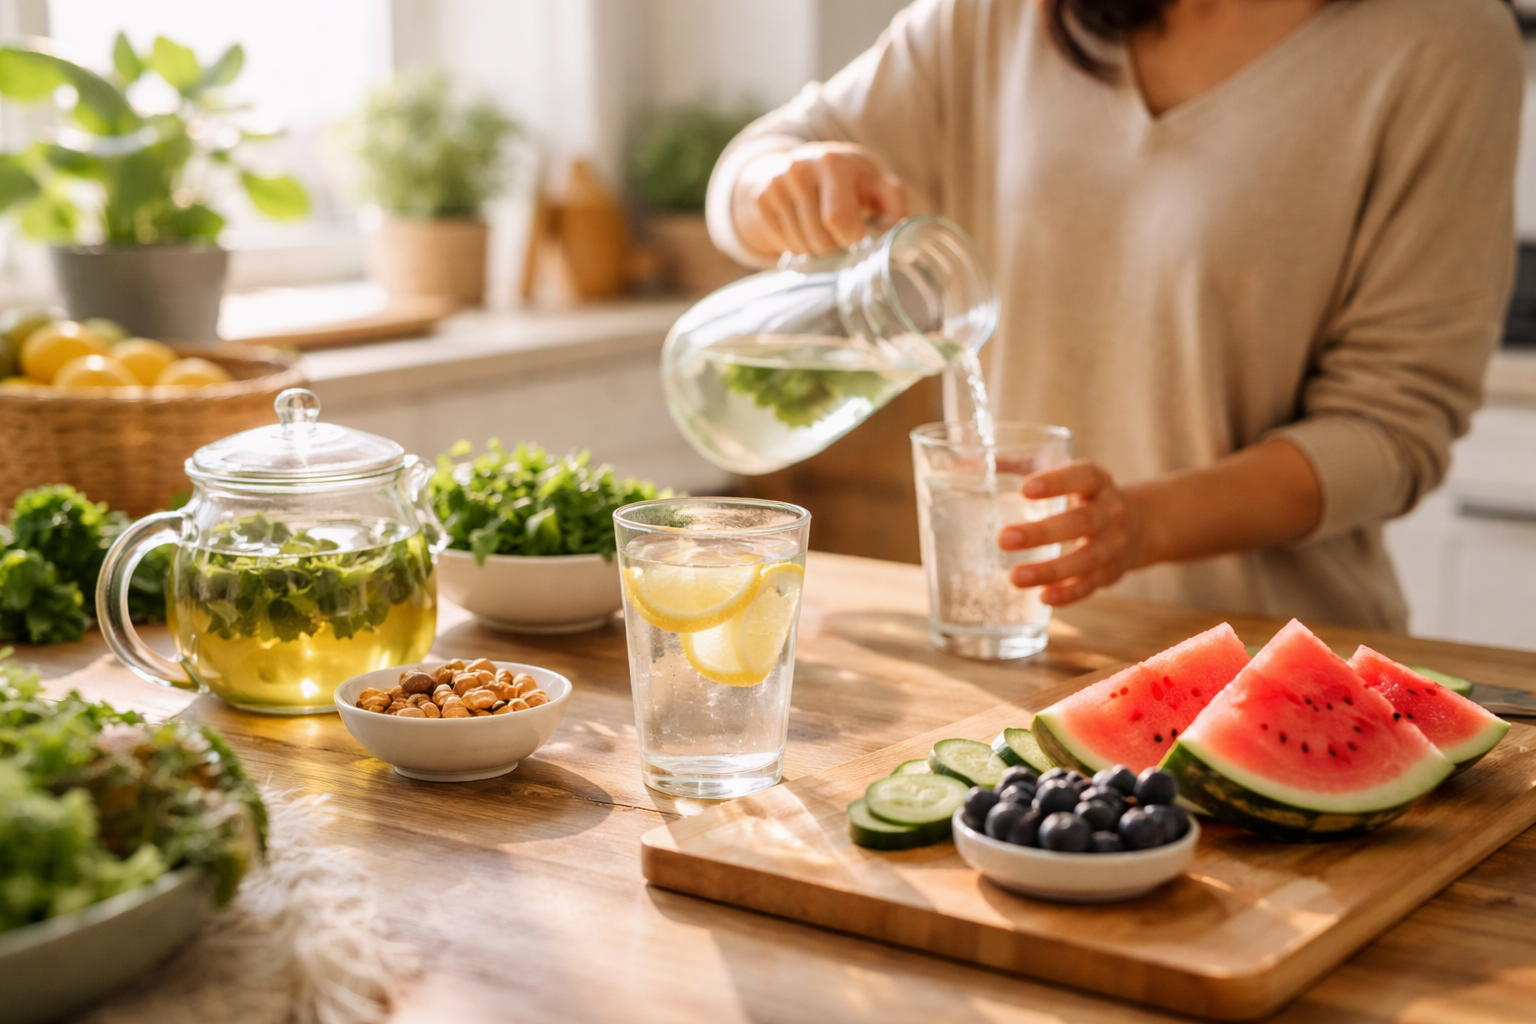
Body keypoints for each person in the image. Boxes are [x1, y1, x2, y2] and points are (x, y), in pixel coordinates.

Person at [704, 0, 1522, 630]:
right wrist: (778, 184)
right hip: (1019, 651)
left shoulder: (1445, 41)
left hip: (1277, 649)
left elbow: (1391, 431)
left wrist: (1145, 525)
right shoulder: (997, 17)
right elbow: (754, 167)